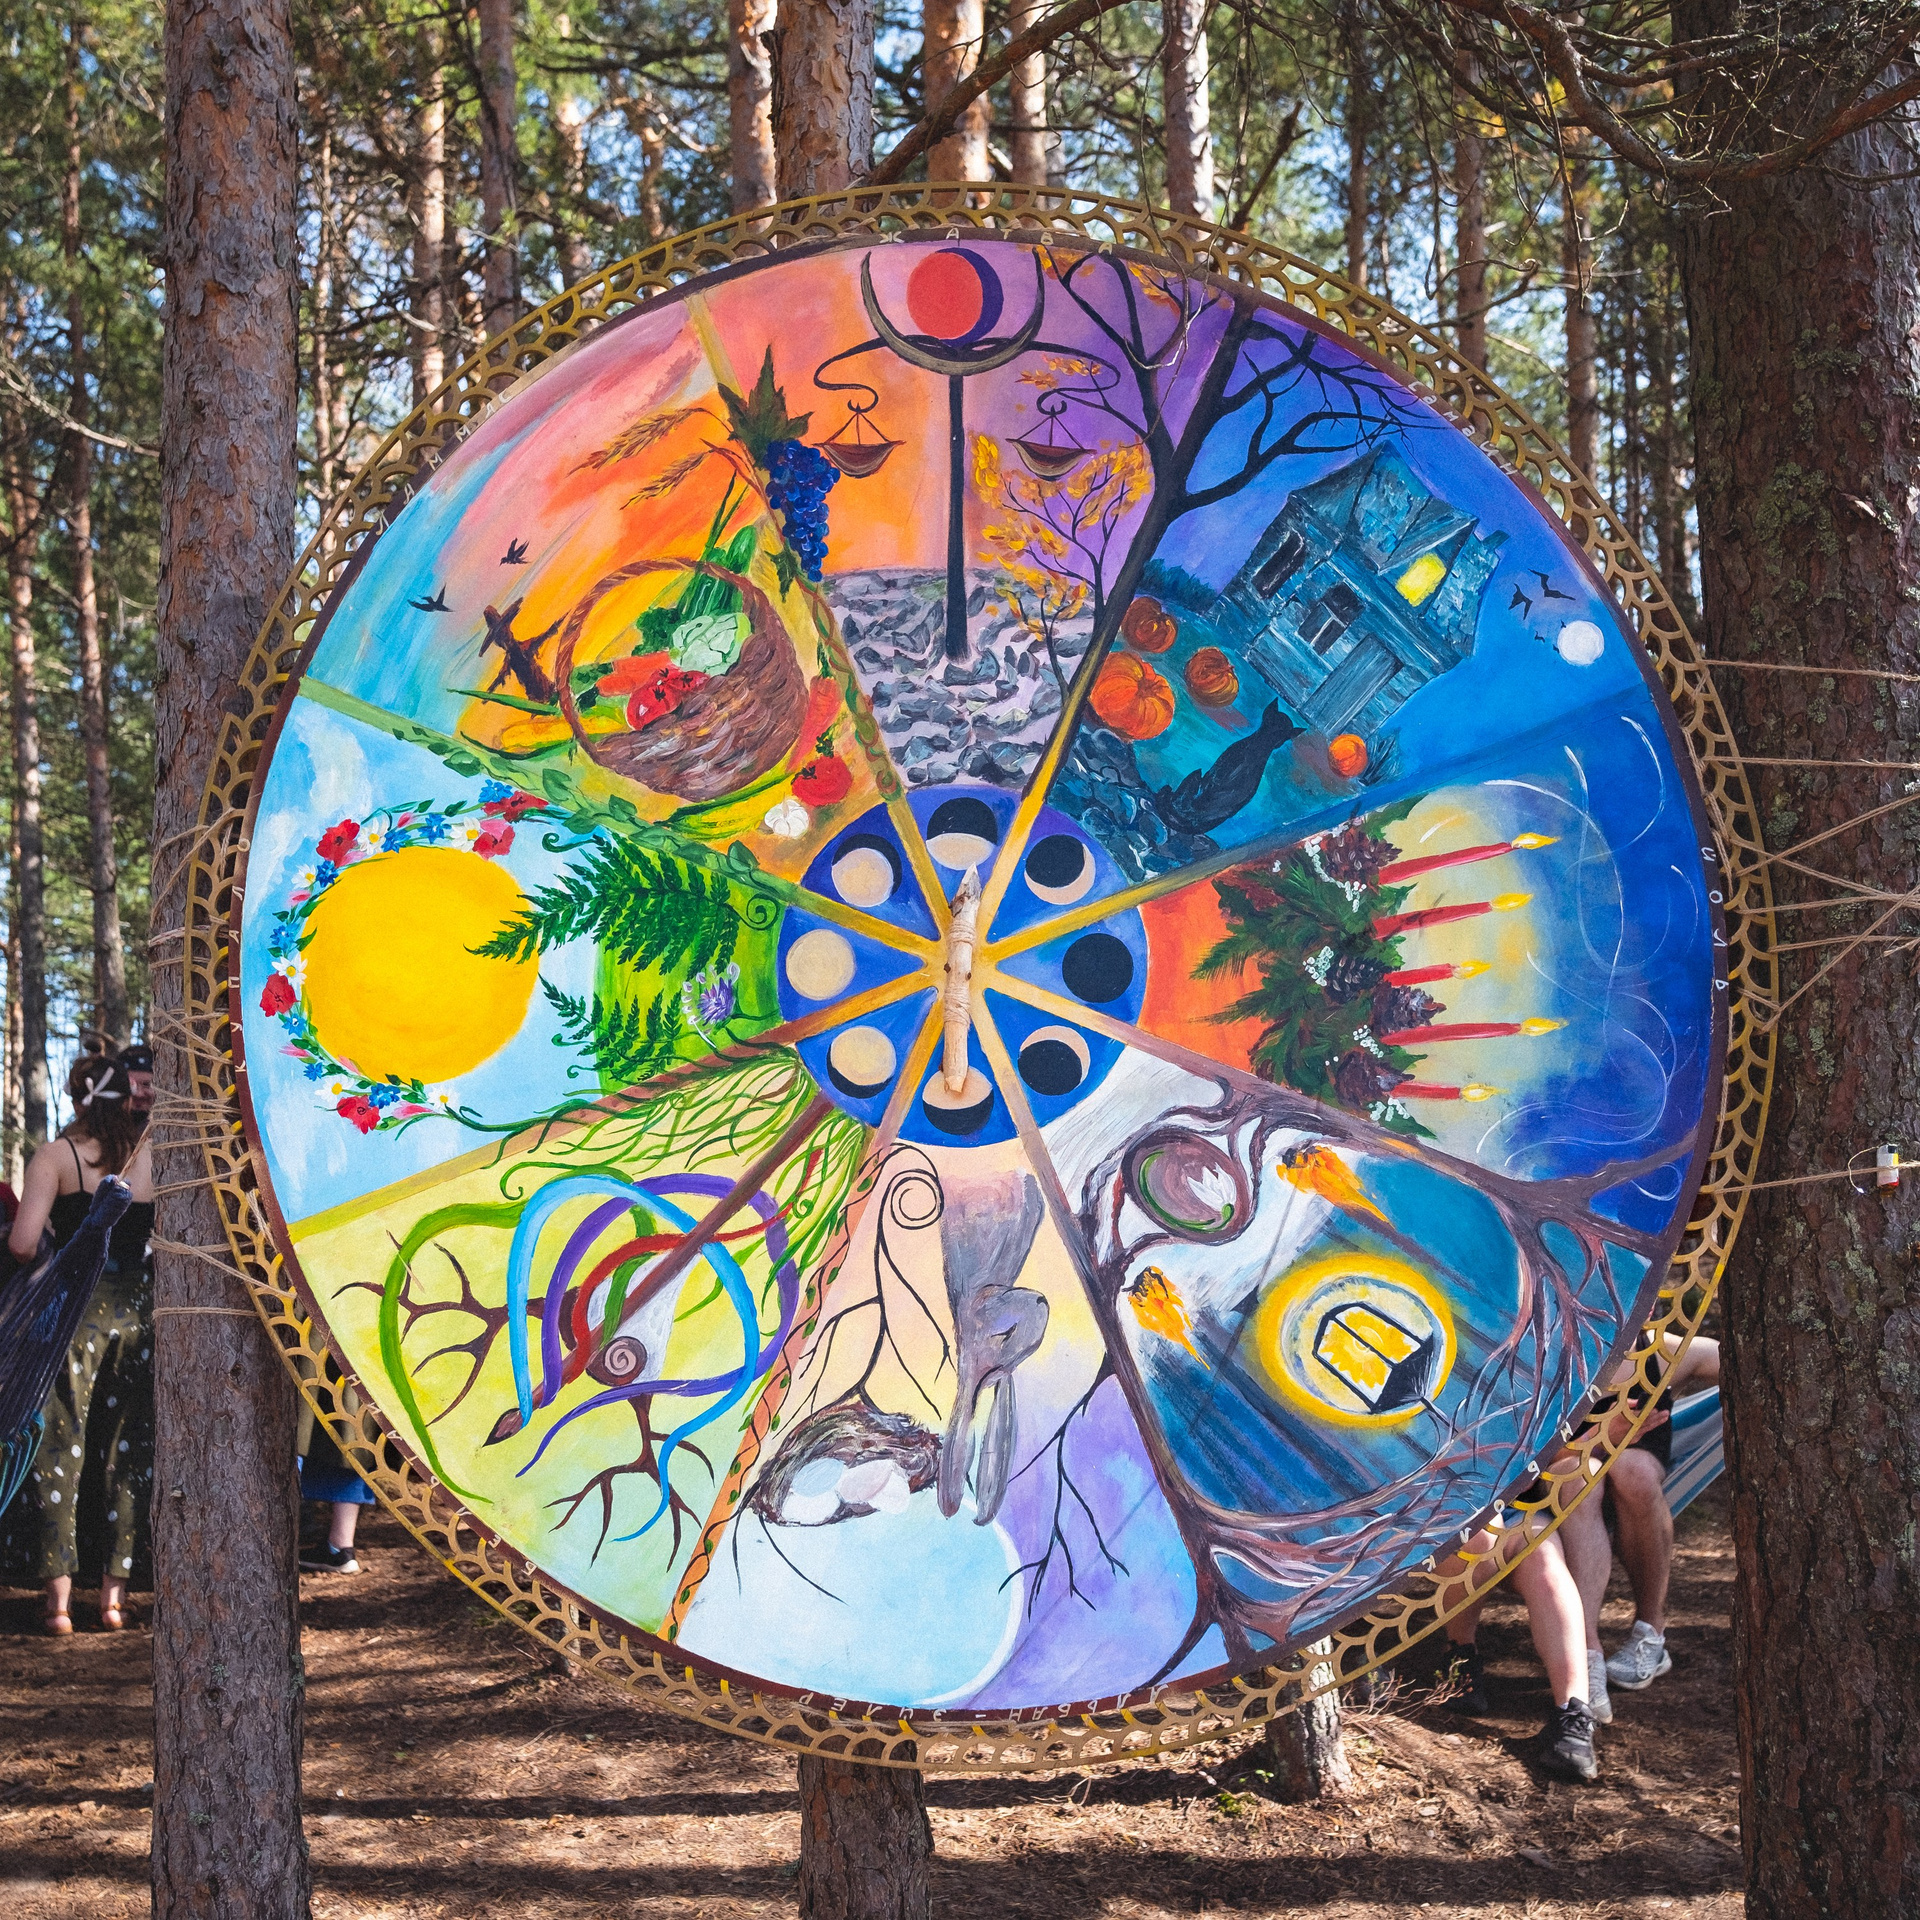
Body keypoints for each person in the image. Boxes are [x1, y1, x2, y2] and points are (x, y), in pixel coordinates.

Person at [6, 1053, 157, 1634]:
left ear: (78, 1099)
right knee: (127, 1451)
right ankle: (114, 1599)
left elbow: (22, 1244)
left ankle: (59, 1605)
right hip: (138, 1318)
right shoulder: (152, 1157)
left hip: (70, 1319)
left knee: (59, 1447)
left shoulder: (56, 1157)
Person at [1560, 1331, 1722, 1722]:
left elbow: (1766, 1360)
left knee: (1633, 1470)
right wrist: (1601, 1437)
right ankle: (1587, 1654)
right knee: (1582, 1477)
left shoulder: (1665, 1353)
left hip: (1633, 1491)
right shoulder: (1551, 1353)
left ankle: (1650, 1632)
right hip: (1561, 1479)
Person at [1435, 1514, 1601, 1782]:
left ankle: (1573, 1712)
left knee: (1544, 1558)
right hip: (1435, 1515)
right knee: (1481, 1533)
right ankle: (1459, 1652)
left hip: (1517, 1510)